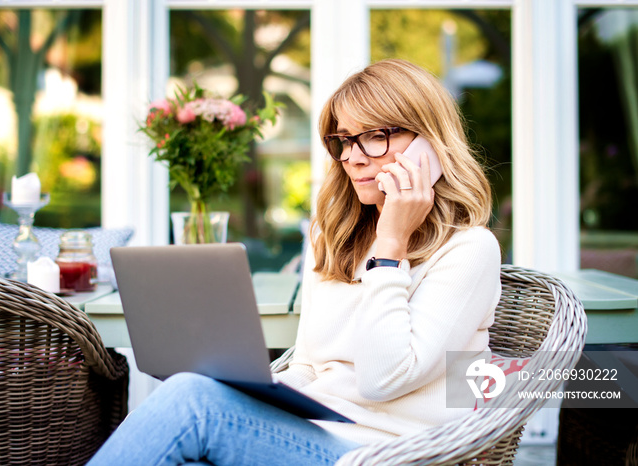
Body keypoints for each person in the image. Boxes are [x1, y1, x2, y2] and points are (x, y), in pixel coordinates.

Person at [87, 58, 501, 466]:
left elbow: (383, 380)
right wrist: (254, 392)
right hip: (311, 435)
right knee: (194, 407)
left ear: (428, 142)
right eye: (343, 139)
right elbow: (308, 364)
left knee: (191, 403)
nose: (353, 158)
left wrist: (391, 245)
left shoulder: (469, 251)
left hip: (389, 454)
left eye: (375, 136)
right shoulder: (334, 235)